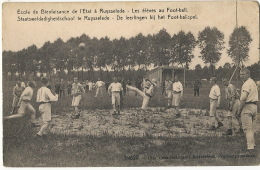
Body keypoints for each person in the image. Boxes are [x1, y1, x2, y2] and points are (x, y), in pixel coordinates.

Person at [237, 68, 258, 153]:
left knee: (247, 129)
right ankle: (252, 144)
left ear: (248, 74)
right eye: (240, 74)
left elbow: (243, 98)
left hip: (247, 106)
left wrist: (239, 110)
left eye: (243, 74)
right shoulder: (253, 82)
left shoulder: (246, 84)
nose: (241, 76)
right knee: (251, 128)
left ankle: (250, 149)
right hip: (254, 107)